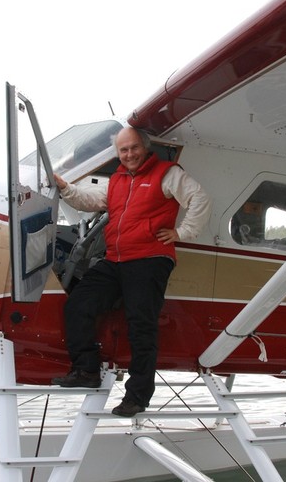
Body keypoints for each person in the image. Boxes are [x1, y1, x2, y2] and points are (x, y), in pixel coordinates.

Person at [51, 126, 211, 417]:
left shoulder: (167, 173)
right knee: (78, 303)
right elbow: (86, 199)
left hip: (150, 259)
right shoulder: (118, 181)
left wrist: (183, 232)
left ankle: (137, 397)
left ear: (145, 148)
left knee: (141, 326)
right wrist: (63, 187)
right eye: (123, 150)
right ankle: (86, 370)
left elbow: (199, 198)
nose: (129, 154)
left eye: (134, 148)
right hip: (116, 259)